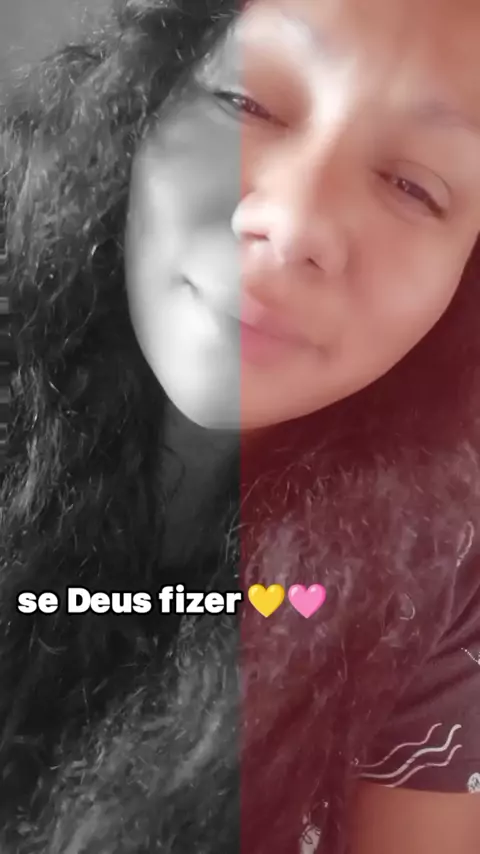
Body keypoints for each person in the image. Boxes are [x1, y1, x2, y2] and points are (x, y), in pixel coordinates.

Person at [0, 0, 480, 851]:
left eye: (414, 186)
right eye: (247, 102)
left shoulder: (444, 571)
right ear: (142, 101)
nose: (292, 224)